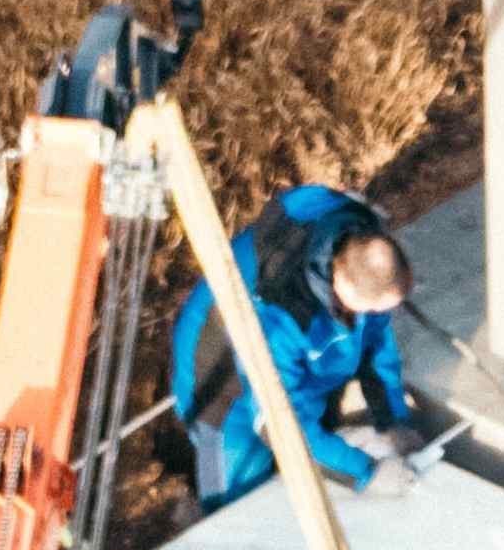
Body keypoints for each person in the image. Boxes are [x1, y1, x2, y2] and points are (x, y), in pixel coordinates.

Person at [171, 184, 439, 509]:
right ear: (342, 286)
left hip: (303, 360)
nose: (375, 318)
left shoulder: (359, 244)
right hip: (226, 394)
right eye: (368, 310)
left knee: (314, 456)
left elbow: (375, 345)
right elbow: (282, 425)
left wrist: (393, 420)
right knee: (236, 506)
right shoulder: (279, 314)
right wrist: (365, 473)